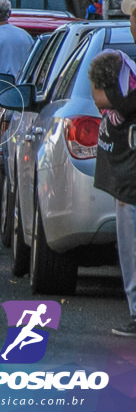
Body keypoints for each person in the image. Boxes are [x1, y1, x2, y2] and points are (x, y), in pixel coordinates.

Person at [88, 49, 136, 337]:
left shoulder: (125, 98)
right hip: (126, 183)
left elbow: (102, 98)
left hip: (130, 185)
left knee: (131, 249)